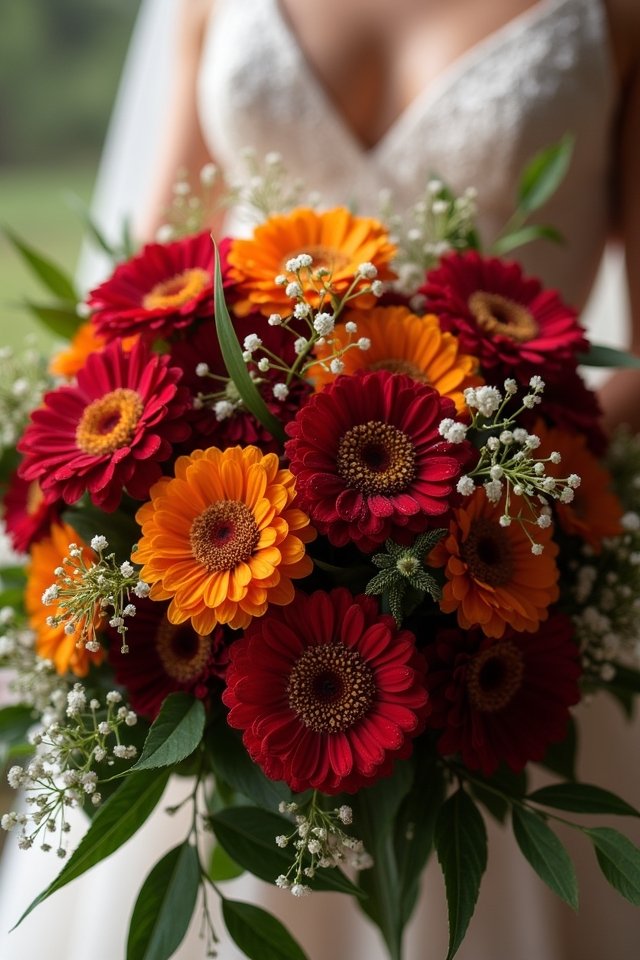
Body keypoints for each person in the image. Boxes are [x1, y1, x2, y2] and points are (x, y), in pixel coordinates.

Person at [1, 0, 639, 957]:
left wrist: (479, 492)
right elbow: (152, 277)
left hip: (498, 576)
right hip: (226, 539)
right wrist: (176, 514)